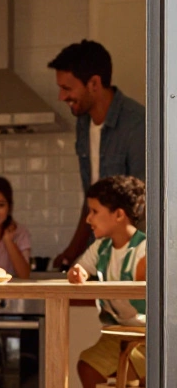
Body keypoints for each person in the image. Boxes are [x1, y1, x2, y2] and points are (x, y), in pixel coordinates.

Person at [66, 176, 147, 388]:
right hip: (116, 334)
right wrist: (78, 272)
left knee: (129, 376)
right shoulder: (100, 248)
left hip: (146, 336)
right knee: (88, 367)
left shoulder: (143, 250)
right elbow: (82, 268)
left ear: (118, 215)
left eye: (94, 211)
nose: (88, 219)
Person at [48, 40, 146, 271]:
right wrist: (72, 252)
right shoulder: (83, 125)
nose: (61, 97)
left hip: (133, 262)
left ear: (94, 83)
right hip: (101, 255)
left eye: (67, 88)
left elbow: (144, 204)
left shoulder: (138, 124)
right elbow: (92, 198)